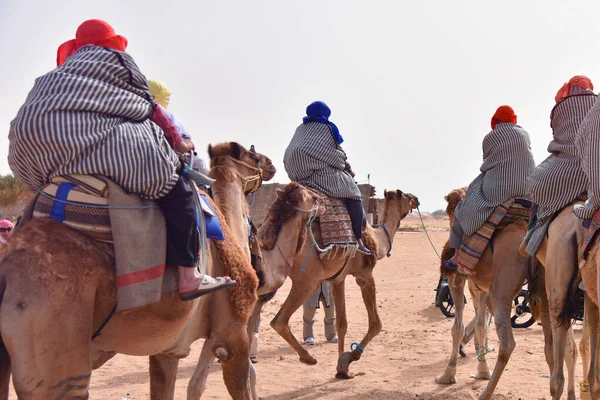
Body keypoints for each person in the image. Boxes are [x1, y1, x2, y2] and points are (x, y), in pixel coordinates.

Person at [8, 19, 234, 300]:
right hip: (105, 151)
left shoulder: (55, 75)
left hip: (37, 145)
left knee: (39, 196)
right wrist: (179, 142)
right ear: (111, 42)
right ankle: (189, 275)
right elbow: (151, 109)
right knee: (179, 194)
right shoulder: (119, 61)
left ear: (76, 46)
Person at [442, 105, 535, 270]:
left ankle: (457, 256)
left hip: (500, 191)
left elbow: (488, 163)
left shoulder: (490, 137)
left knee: (461, 210)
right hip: (528, 190)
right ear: (514, 119)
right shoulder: (525, 134)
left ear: (495, 121)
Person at [283, 101, 371, 255]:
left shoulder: (300, 129)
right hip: (318, 175)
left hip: (297, 176)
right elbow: (335, 156)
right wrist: (345, 164)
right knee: (354, 194)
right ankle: (359, 240)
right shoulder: (327, 127)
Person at [525, 76, 596, 254]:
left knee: (533, 182)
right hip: (594, 173)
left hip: (562, 172)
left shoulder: (560, 108)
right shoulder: (597, 103)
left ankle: (531, 232)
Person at [147, 79, 210, 175]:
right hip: (173, 158)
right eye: (166, 98)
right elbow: (180, 145)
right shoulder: (158, 111)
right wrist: (190, 145)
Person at [573, 82, 600, 219]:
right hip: (586, 179)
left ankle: (531, 235)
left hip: (563, 170)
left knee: (536, 188)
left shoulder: (561, 105)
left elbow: (582, 140)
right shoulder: (594, 100)